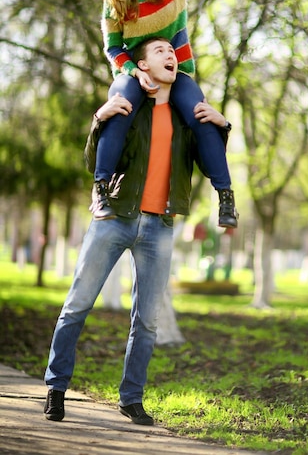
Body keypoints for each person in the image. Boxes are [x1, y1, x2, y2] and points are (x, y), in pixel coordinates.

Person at [43, 37, 232, 425]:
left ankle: (131, 398)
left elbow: (205, 161)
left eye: (172, 52)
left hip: (160, 226)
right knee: (77, 305)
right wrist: (100, 119)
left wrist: (222, 126)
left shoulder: (184, 115)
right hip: (115, 216)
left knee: (147, 320)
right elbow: (93, 161)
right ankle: (56, 388)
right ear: (142, 66)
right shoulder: (130, 107)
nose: (170, 56)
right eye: (160, 51)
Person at [93, 0, 245, 228]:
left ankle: (226, 197)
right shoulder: (117, 0)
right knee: (120, 106)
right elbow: (112, 47)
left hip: (177, 70)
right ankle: (101, 189)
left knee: (202, 115)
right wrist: (133, 71)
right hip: (134, 71)